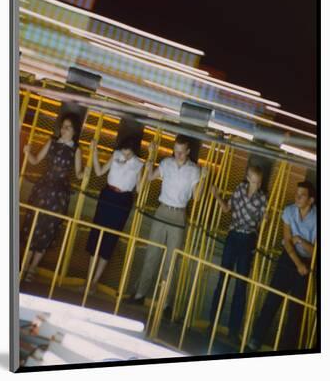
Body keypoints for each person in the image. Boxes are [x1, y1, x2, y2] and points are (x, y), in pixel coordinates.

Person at [125, 135, 202, 317]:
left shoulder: (194, 170)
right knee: (152, 252)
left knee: (171, 260)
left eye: (182, 152)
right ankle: (140, 294)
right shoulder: (167, 163)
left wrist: (203, 180)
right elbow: (150, 177)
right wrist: (151, 156)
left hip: (178, 214)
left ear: (188, 152)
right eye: (176, 151)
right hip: (162, 210)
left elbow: (196, 197)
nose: (179, 155)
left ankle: (166, 303)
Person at [248, 180, 317, 351]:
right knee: (272, 299)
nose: (297, 197)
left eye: (302, 195)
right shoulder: (289, 211)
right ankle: (255, 339)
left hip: (309, 263)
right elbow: (287, 242)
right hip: (290, 259)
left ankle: (287, 349)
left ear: (311, 200)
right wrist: (298, 262)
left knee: (296, 310)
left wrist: (300, 240)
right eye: (297, 193)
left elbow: (317, 250)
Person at [21, 114, 84, 282]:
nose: (63, 130)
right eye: (63, 126)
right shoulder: (52, 142)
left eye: (68, 127)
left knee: (48, 229)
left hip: (58, 195)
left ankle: (32, 268)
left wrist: (88, 170)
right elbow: (35, 161)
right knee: (33, 224)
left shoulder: (76, 150)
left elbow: (78, 174)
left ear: (74, 131)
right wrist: (27, 152)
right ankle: (24, 266)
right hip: (43, 189)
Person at [208, 164, 267, 344]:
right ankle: (213, 323)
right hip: (233, 236)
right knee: (223, 279)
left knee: (241, 285)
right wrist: (216, 195)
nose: (255, 184)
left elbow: (263, 222)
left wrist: (266, 221)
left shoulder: (263, 198)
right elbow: (227, 209)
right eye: (252, 180)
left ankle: (233, 330)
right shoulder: (240, 189)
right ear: (248, 178)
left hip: (248, 238)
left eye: (257, 181)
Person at [85, 136, 144, 294]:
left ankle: (94, 282)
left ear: (134, 151)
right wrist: (94, 152)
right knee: (96, 233)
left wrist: (147, 171)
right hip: (107, 195)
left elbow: (139, 189)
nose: (125, 155)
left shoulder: (139, 164)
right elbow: (99, 172)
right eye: (124, 151)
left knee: (109, 239)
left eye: (128, 153)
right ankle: (88, 280)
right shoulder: (116, 154)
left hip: (122, 200)